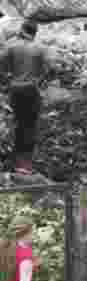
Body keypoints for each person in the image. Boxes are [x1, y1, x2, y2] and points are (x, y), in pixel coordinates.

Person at [0, 21, 57, 174]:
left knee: (18, 122)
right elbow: (52, 68)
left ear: (22, 30)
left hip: (16, 90)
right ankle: (25, 164)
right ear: (35, 33)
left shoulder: (11, 46)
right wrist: (40, 80)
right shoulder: (41, 48)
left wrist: (9, 79)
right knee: (30, 125)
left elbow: (2, 67)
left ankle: (15, 160)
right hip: (32, 90)